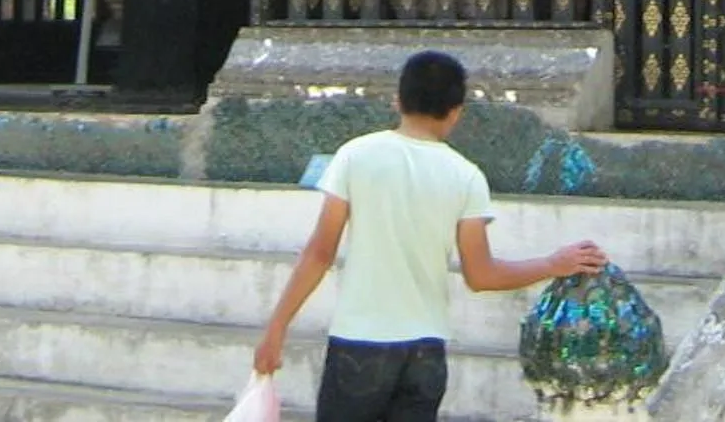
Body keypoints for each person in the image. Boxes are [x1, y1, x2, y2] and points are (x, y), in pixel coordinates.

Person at [252, 49, 606, 421]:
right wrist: (553, 263)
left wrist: (277, 328)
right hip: (425, 352)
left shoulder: (355, 156)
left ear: (398, 100)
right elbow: (481, 275)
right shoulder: (466, 176)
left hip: (359, 346)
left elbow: (319, 254)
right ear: (456, 112)